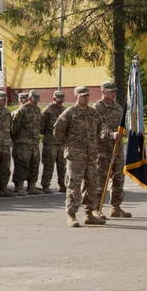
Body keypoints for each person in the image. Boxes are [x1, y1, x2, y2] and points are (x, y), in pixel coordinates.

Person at [53, 86, 105, 227]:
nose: (86, 98)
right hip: (75, 157)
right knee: (73, 186)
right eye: (82, 96)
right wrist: (69, 144)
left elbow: (101, 129)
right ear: (76, 97)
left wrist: (109, 135)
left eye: (87, 95)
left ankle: (89, 214)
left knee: (91, 185)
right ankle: (72, 215)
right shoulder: (69, 113)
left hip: (91, 156)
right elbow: (57, 131)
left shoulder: (93, 114)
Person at [93, 81, 129, 217]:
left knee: (119, 178)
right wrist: (111, 134)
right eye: (110, 91)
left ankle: (116, 207)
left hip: (117, 149)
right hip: (102, 149)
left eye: (114, 91)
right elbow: (99, 127)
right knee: (101, 180)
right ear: (103, 91)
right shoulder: (97, 108)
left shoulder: (118, 108)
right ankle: (96, 208)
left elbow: (123, 124)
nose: (113, 93)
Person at [40, 91, 67, 193]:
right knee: (49, 165)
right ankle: (45, 185)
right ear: (54, 99)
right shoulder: (47, 110)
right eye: (58, 100)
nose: (60, 102)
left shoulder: (64, 110)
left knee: (62, 165)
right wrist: (45, 133)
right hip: (50, 143)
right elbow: (40, 124)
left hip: (60, 142)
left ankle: (62, 184)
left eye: (61, 100)